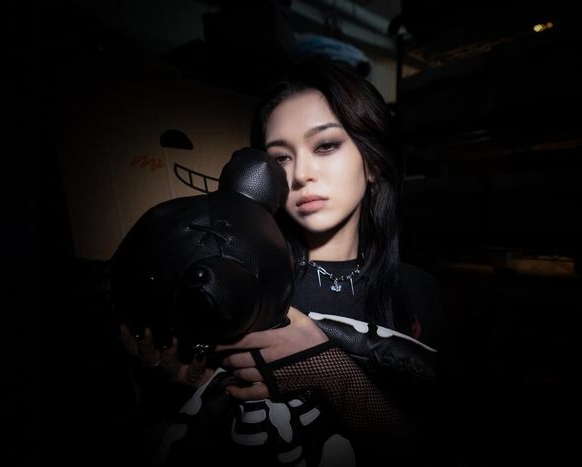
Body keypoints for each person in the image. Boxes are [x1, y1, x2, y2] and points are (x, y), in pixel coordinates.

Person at [118, 59, 445, 466]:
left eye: (325, 145)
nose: (301, 174)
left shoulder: (420, 292)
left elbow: (427, 448)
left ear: (374, 162)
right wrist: (180, 385)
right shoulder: (240, 279)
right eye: (280, 158)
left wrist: (329, 370)